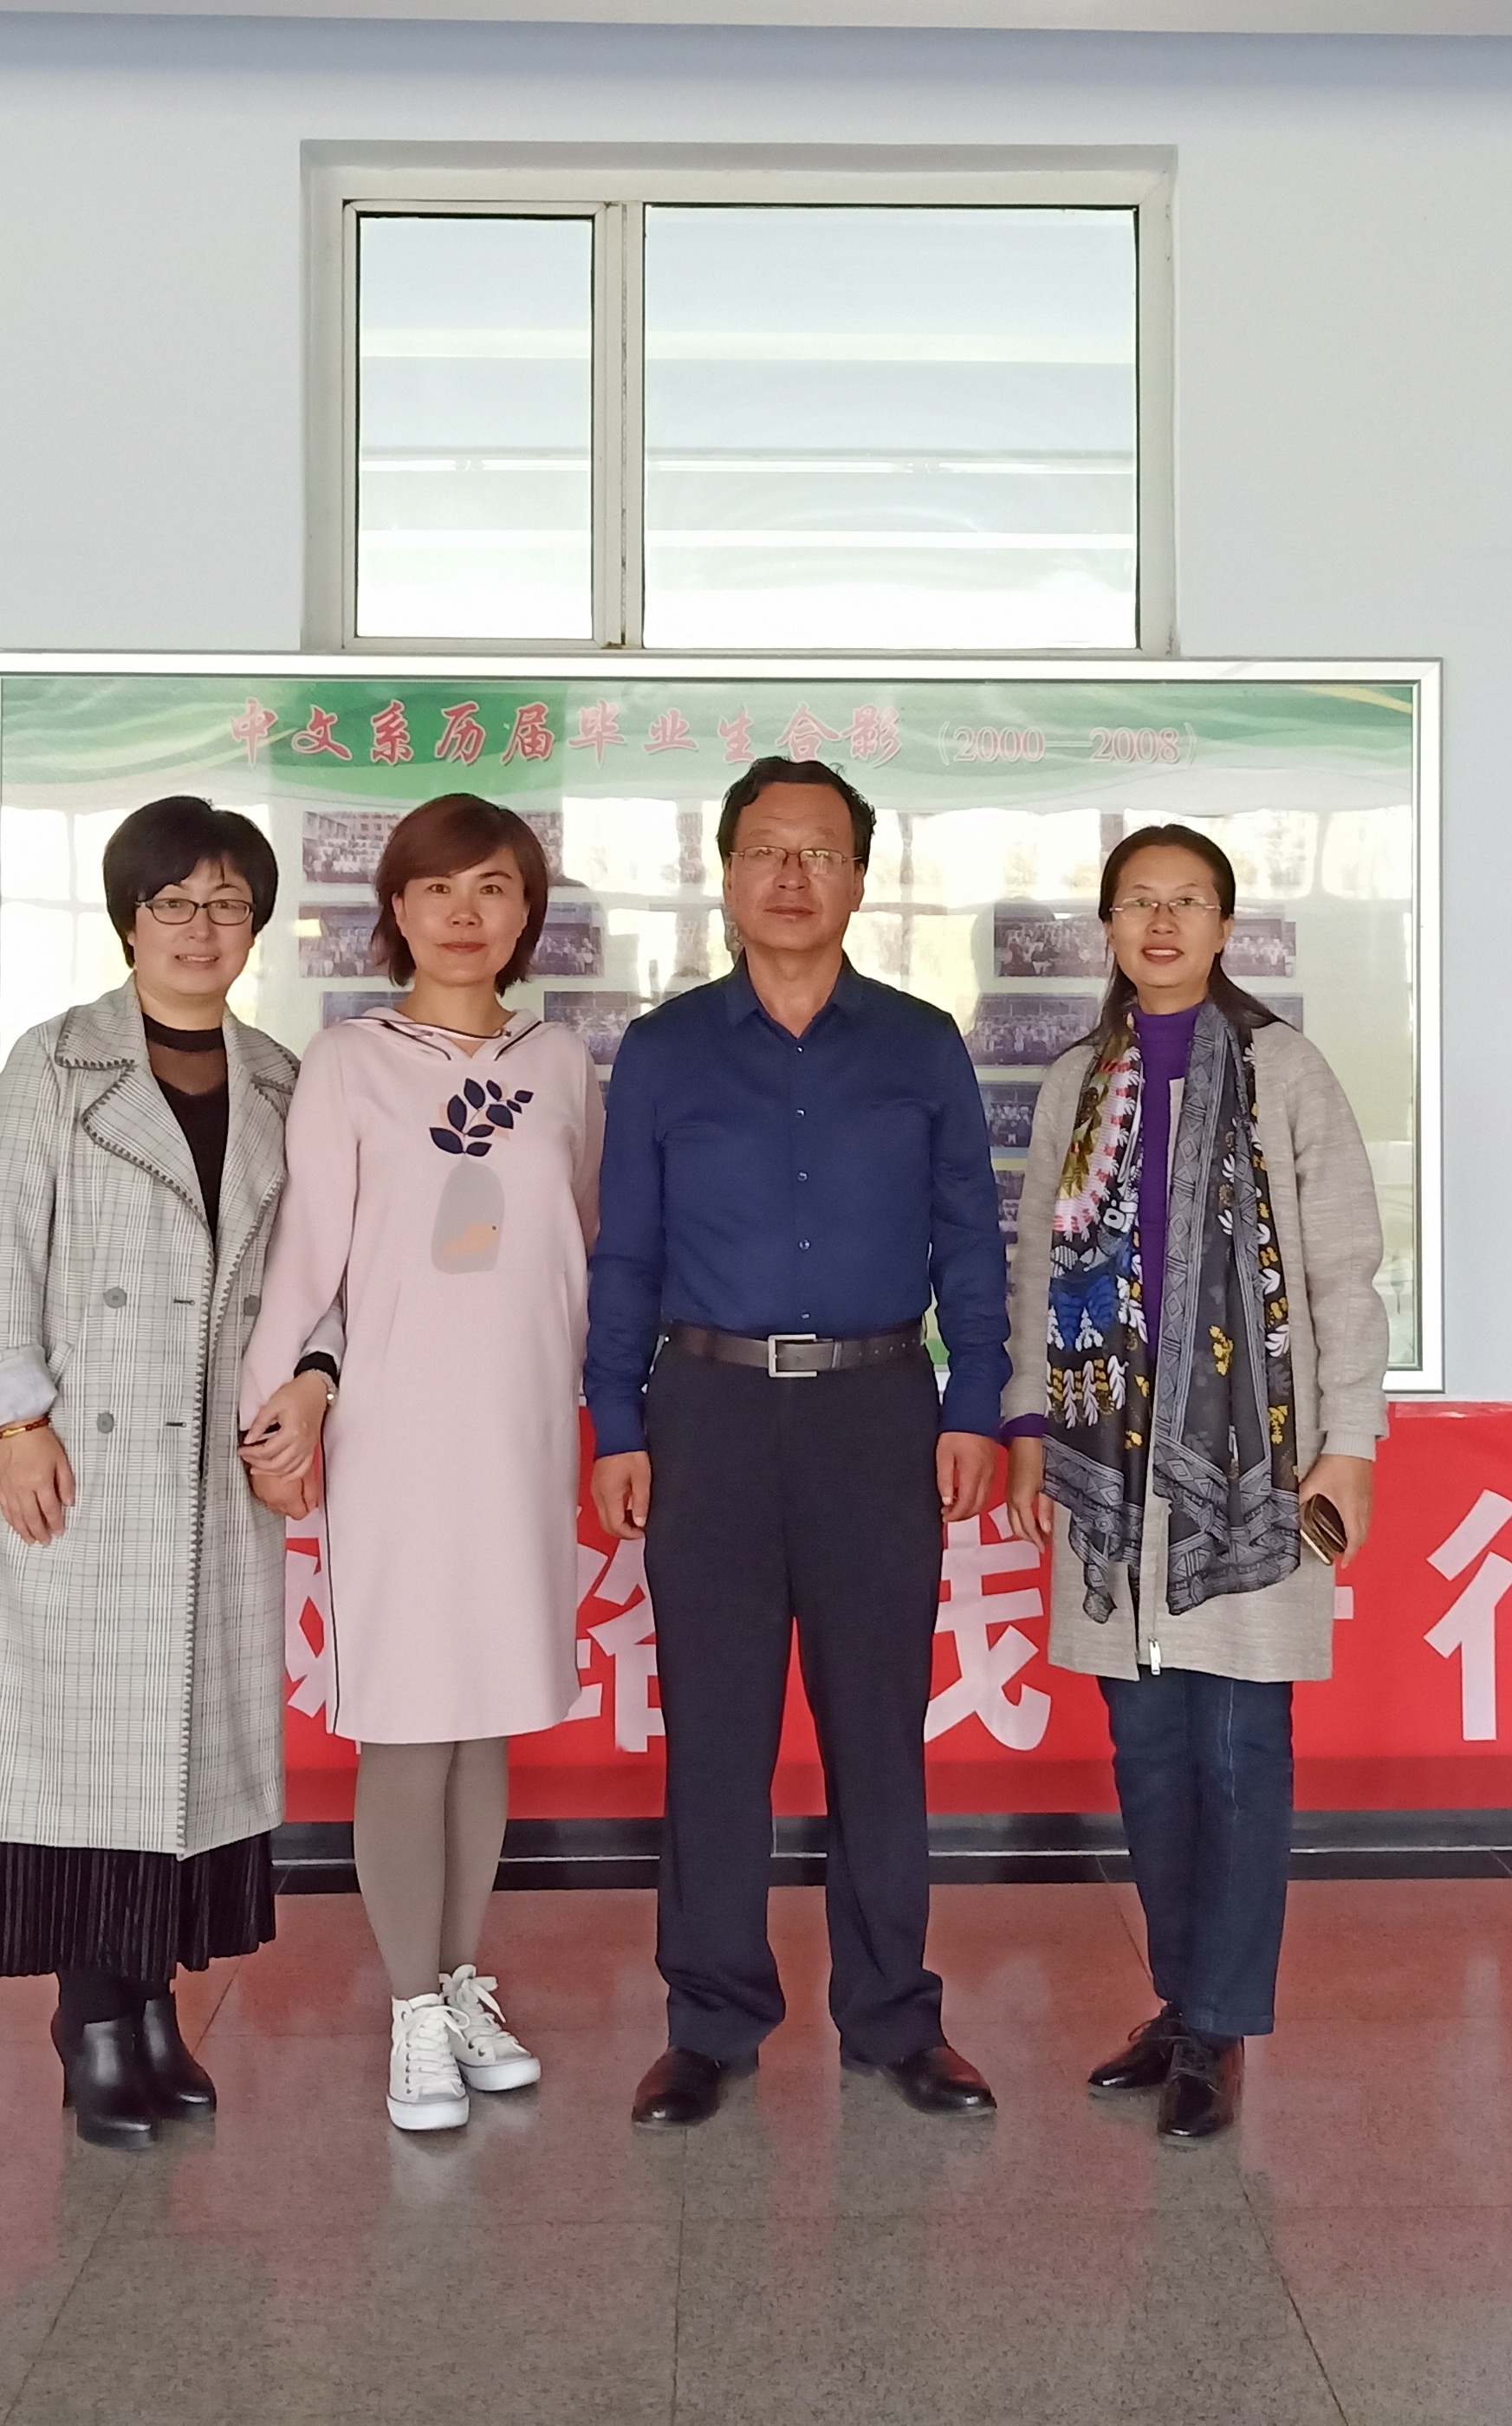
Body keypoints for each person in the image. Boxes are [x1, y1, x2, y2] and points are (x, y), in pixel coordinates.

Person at [586, 757, 1011, 2128]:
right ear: (725, 872)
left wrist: (974, 1400)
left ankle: (894, 2018)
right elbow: (626, 1253)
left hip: (876, 1412)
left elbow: (970, 1240)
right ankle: (710, 2023)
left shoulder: (920, 1045)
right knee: (716, 1735)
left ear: (860, 880)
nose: (791, 876)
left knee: (878, 1732)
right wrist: (615, 1421)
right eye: (766, 849)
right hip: (706, 1414)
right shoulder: (664, 1051)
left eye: (820, 852)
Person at [0, 795, 329, 2150]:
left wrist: (312, 1387)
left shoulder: (282, 1079)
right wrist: (17, 1420)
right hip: (83, 1460)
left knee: (186, 1753)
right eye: (174, 904)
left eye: (228, 905)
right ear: (128, 921)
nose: (201, 929)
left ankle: (153, 2002)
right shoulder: (58, 1063)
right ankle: (92, 2022)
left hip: (217, 1467)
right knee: (84, 1751)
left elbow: (314, 1273)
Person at [1006, 823, 1388, 2143]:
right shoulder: (1078, 1083)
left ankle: (1219, 2027)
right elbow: (1034, 1272)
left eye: (1188, 903)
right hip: (1109, 1466)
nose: (1161, 925)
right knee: (1149, 1752)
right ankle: (1182, 2003)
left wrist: (1351, 1444)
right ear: (1109, 927)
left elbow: (1343, 1271)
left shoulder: (1284, 1069)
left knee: (1239, 1747)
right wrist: (1030, 1425)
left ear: (1227, 928)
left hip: (1253, 1466)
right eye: (1138, 903)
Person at [239, 791, 599, 2135]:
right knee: (405, 1718)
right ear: (394, 907)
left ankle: (458, 1984)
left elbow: (583, 1245)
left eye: (493, 887)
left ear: (526, 912)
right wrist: (277, 1412)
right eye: (437, 887)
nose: (464, 912)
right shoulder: (348, 1063)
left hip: (520, 1429)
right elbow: (311, 1255)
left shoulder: (561, 1062)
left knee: (483, 1711)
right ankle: (407, 2011)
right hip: (393, 1431)